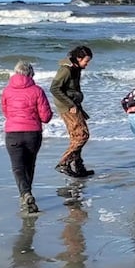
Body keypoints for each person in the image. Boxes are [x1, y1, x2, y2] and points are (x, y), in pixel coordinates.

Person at [1, 60, 53, 213]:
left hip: (12, 133)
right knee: (29, 165)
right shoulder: (37, 90)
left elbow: (5, 112)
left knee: (17, 167)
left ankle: (25, 194)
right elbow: (45, 117)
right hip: (32, 133)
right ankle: (26, 194)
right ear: (30, 73)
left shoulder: (6, 90)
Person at [50, 45, 94, 178]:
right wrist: (70, 104)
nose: (87, 64)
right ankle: (63, 163)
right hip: (68, 107)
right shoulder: (66, 70)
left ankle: (78, 167)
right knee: (82, 136)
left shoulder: (76, 68)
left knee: (76, 137)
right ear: (78, 58)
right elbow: (54, 88)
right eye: (86, 61)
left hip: (74, 104)